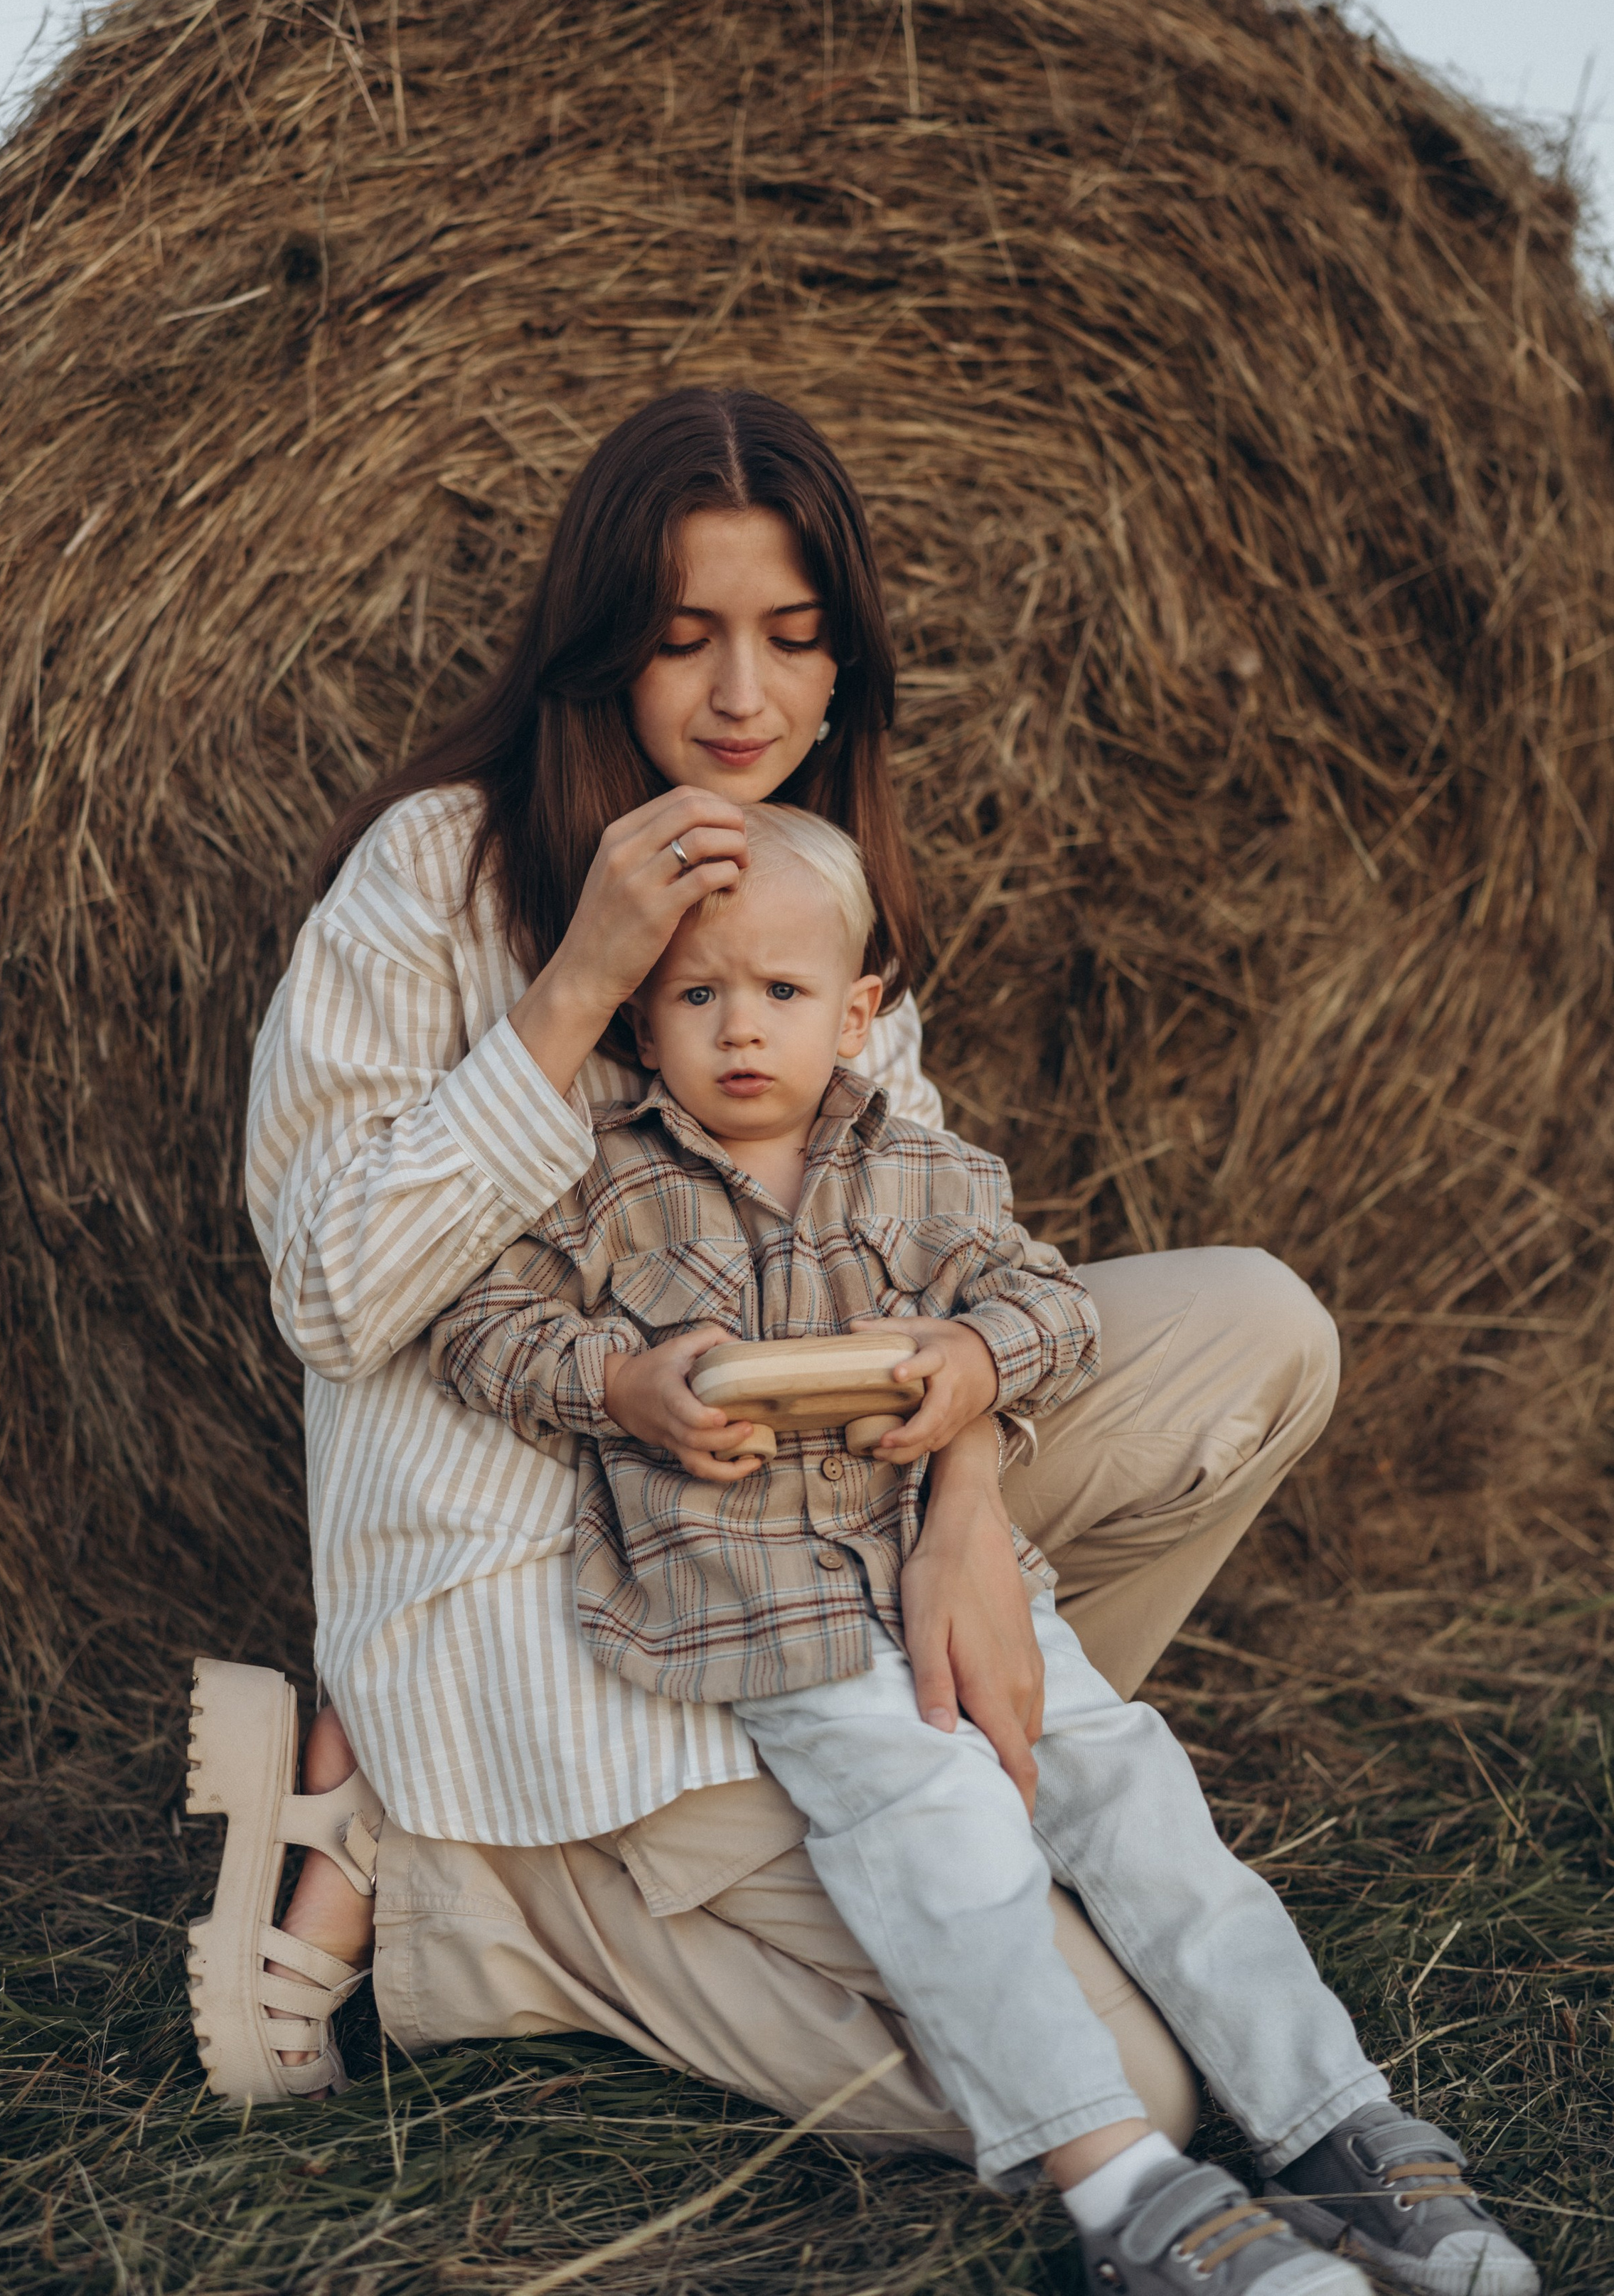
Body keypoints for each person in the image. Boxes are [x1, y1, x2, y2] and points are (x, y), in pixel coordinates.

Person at [191, 388, 1414, 2218]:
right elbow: (328, 1291)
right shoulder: (432, 878)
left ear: (846, 671)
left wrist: (971, 1506)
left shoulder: (818, 907)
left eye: (790, 640)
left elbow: (931, 1269)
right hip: (569, 1613)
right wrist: (582, 979)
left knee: (1251, 1327)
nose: (741, 698)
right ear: (599, 657)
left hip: (824, 1534)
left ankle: (957, 1812)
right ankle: (468, 1892)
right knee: (1136, 2076)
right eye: (685, 642)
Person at [422, 802, 1537, 2296]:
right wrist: (622, 1383)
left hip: (957, 1579)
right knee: (940, 1837)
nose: (739, 1030)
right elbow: (477, 1326)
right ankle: (1122, 2197)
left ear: (857, 1013)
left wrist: (968, 1358)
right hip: (767, 1612)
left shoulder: (921, 1170)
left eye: (780, 994)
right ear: (640, 1011)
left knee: (1138, 1800)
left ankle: (1333, 2120)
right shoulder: (598, 1184)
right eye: (697, 996)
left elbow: (1050, 1305)